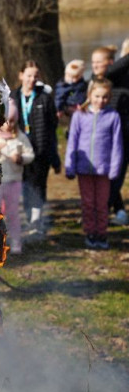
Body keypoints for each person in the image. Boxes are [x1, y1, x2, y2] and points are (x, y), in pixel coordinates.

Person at [65, 77, 124, 249]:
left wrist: (114, 168)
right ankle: (90, 232)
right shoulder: (79, 115)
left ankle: (102, 234)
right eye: (97, 96)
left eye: (105, 97)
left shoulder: (113, 116)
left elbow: (117, 144)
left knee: (102, 203)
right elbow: (72, 143)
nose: (101, 100)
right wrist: (70, 165)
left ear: (109, 97)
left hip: (104, 169)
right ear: (90, 95)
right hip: (84, 168)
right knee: (88, 203)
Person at [9, 60, 59, 234]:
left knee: (38, 185)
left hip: (40, 150)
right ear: (21, 75)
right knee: (24, 185)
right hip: (19, 150)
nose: (32, 79)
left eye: (36, 76)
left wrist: (54, 155)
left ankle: (36, 221)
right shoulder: (12, 97)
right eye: (29, 75)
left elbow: (53, 126)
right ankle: (29, 216)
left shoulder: (45, 98)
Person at [89, 46, 129, 225]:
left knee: (116, 174)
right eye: (93, 62)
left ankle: (116, 210)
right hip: (108, 136)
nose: (95, 66)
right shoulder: (100, 79)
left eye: (99, 62)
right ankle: (105, 210)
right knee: (112, 174)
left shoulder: (121, 76)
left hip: (125, 134)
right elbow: (112, 69)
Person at [0, 111, 34, 255]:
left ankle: (16, 241)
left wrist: (21, 158)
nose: (8, 125)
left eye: (11, 121)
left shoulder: (20, 137)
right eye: (5, 121)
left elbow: (30, 154)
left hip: (14, 181)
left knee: (12, 213)